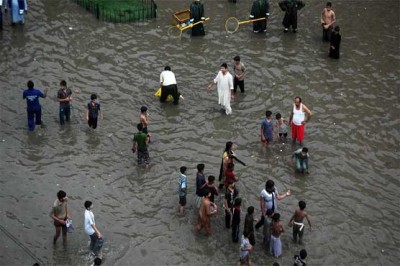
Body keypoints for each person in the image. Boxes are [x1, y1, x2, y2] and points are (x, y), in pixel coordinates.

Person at [255, 180, 291, 245]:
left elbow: (278, 197)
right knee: (263, 221)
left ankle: (271, 232)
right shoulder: (263, 192)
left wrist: (286, 194)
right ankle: (257, 227)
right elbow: (262, 203)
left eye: (273, 186)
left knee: (273, 222)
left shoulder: (274, 189)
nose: (273, 187)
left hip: (274, 209)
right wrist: (263, 212)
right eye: (272, 187)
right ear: (268, 187)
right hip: (267, 211)